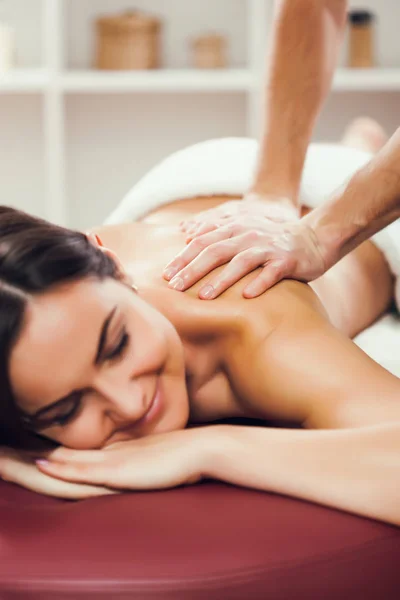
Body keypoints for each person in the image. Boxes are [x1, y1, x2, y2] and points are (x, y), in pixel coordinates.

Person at [1, 118, 400, 528]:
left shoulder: (255, 325)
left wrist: (214, 448)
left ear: (116, 268)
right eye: (66, 409)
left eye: (118, 346)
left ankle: (357, 151)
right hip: (173, 199)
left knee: (353, 165)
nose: (129, 403)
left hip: (287, 195)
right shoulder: (45, 309)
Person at [162, 0, 400, 300]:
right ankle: (358, 145)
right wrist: (272, 191)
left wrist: (318, 235)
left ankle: (358, 144)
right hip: (219, 171)